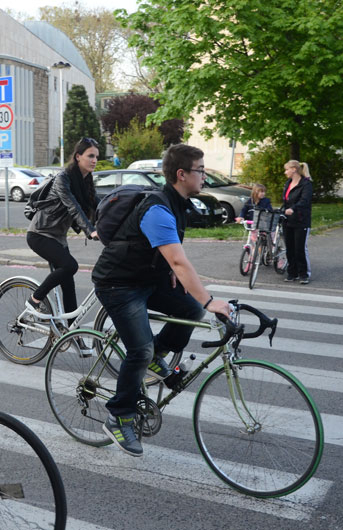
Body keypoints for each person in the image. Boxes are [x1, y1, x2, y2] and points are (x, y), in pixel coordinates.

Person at [92, 143, 230, 457]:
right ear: (182, 174)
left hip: (147, 278)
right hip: (118, 284)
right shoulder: (157, 208)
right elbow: (180, 261)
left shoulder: (178, 203)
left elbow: (167, 254)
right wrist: (210, 301)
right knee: (139, 349)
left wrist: (175, 278)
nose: (204, 175)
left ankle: (157, 355)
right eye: (200, 170)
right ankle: (118, 415)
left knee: (189, 308)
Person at [26, 137, 99, 321]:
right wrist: (90, 230)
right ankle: (35, 299)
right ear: (78, 157)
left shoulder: (86, 181)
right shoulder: (63, 178)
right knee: (70, 266)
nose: (94, 160)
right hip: (40, 234)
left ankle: (72, 331)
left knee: (69, 286)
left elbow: (98, 206)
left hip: (58, 238)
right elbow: (73, 206)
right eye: (90, 156)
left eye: (96, 157)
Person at [282, 159, 313, 284]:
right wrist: (282, 210)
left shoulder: (306, 184)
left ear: (294, 169)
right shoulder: (288, 183)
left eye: (287, 169)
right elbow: (286, 201)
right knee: (289, 248)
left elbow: (304, 201)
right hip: (287, 220)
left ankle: (303, 274)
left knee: (299, 248)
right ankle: (292, 273)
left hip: (301, 220)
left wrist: (293, 209)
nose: (285, 172)